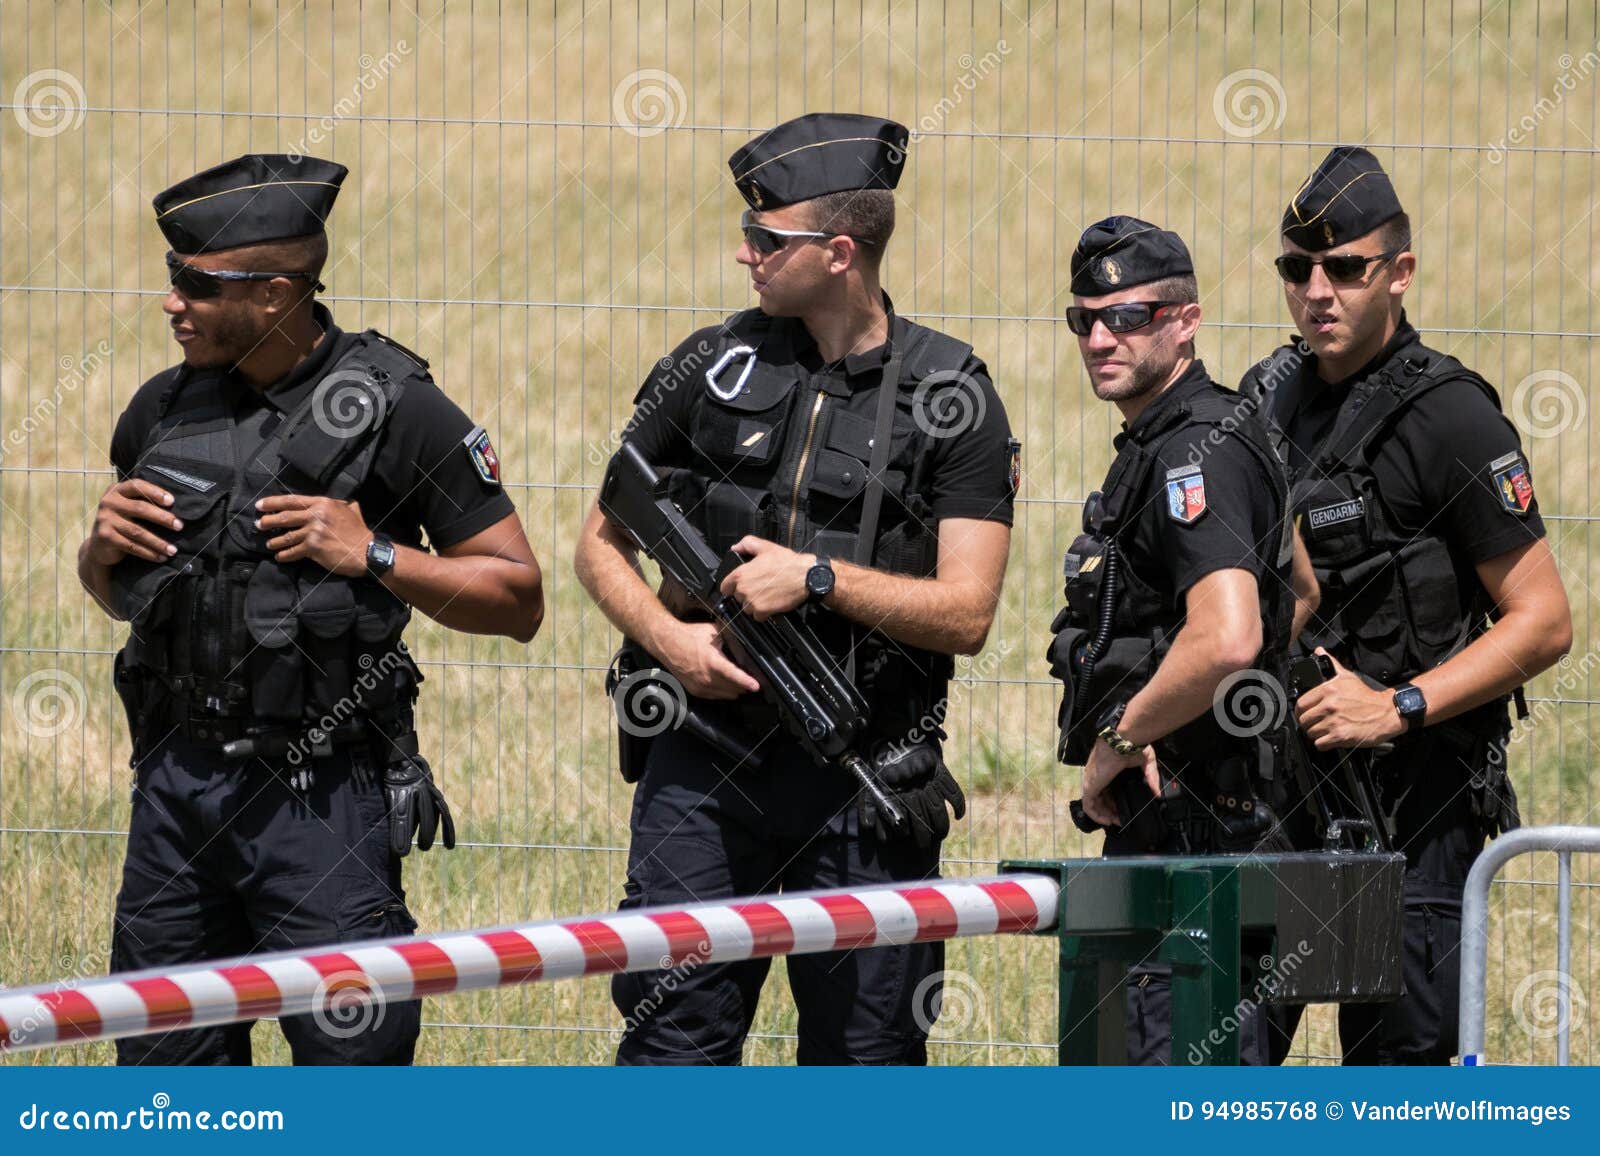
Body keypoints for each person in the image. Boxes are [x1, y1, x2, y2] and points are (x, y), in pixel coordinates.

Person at [77, 153, 545, 1065]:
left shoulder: (403, 411)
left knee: (352, 1075)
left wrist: (369, 551)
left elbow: (517, 597)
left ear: (277, 295)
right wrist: (98, 551)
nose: (173, 304)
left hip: (320, 798)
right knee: (163, 1081)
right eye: (173, 282)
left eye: (197, 286)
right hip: (175, 791)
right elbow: (116, 595)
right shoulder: (160, 410)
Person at [572, 113, 1016, 1065]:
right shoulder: (709, 363)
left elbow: (968, 614)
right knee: (672, 1045)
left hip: (861, 775)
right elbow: (599, 544)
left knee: (866, 1061)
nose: (746, 255)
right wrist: (671, 642)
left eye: (768, 239)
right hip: (702, 763)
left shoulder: (952, 394)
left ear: (840, 252)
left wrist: (817, 579)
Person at [1239, 146, 1573, 1064]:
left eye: (1345, 268)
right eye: (1296, 269)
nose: (1317, 291)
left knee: (1401, 1102)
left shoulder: (1452, 417)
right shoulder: (1270, 404)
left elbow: (1544, 620)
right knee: (1216, 1074)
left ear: (1400, 274)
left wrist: (1396, 707)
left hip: (1414, 820)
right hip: (1283, 803)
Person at [1046, 215, 1305, 1064]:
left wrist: (1130, 735)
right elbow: (1296, 590)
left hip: (1192, 844)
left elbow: (1228, 636)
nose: (1098, 337)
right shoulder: (1222, 428)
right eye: (1083, 317)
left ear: (1186, 320)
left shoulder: (1191, 451)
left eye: (1128, 316)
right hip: (1216, 826)